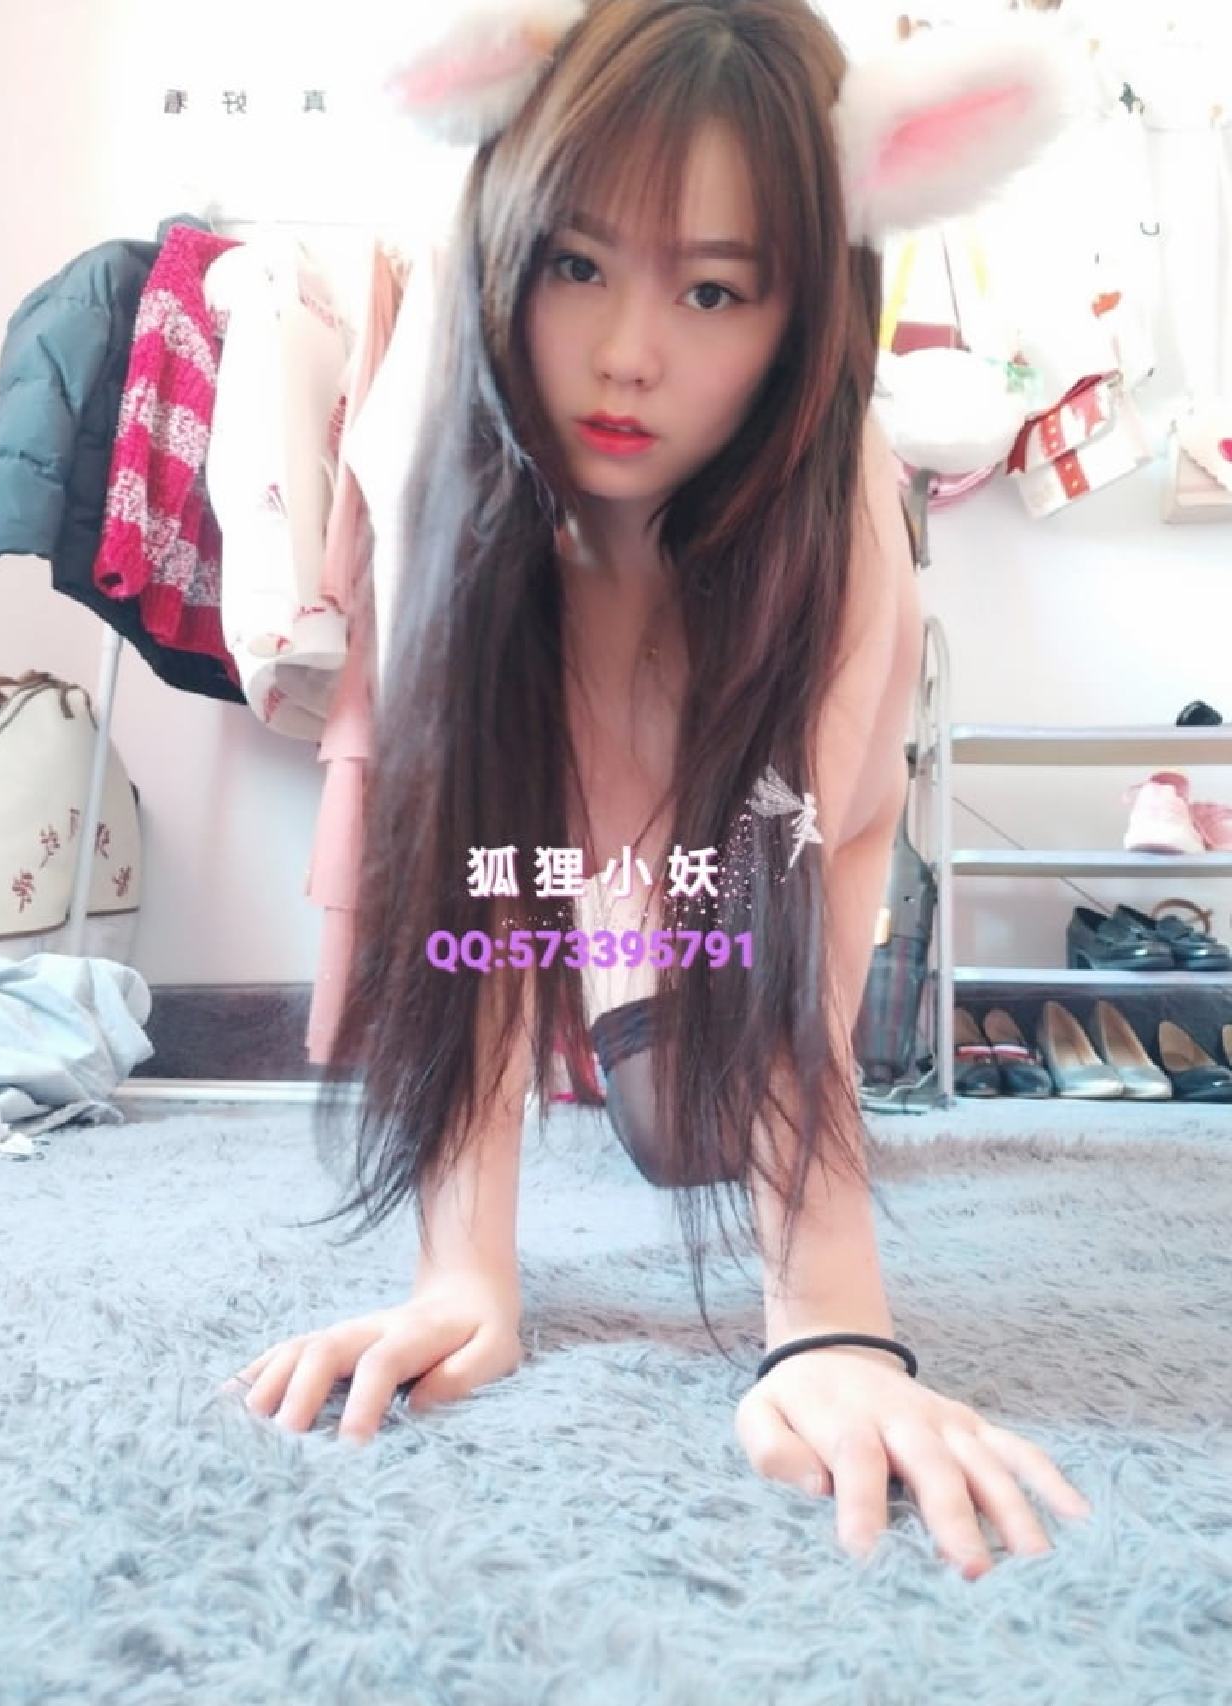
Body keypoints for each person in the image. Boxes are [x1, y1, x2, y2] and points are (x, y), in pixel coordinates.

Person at [223, 0, 1093, 1578]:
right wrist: (463, 1274)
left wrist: (829, 1327)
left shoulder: (841, 527)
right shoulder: (446, 465)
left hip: (750, 849)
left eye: (712, 289)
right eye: (577, 264)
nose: (629, 352)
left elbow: (805, 885)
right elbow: (482, 877)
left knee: (696, 1127)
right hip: (568, 840)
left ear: (804, 303)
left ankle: (646, 1009)